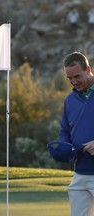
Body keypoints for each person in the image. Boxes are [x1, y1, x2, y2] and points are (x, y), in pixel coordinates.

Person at [59, 51, 94, 216]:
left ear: (88, 70)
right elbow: (65, 130)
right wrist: (63, 146)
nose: (73, 82)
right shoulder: (70, 100)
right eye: (69, 79)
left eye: (77, 76)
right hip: (80, 172)